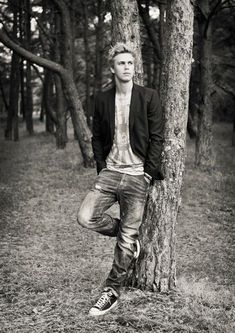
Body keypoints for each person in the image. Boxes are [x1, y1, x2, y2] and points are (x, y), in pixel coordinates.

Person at [77, 42, 164, 317]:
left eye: (130, 63)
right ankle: (127, 238)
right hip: (110, 173)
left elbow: (158, 138)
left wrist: (148, 172)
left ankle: (111, 292)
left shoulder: (149, 96)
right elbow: (98, 137)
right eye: (121, 63)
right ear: (112, 68)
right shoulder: (102, 99)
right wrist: (102, 168)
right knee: (85, 217)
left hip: (138, 175)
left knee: (128, 235)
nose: (127, 67)